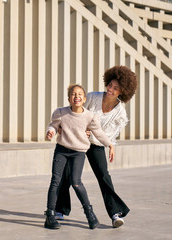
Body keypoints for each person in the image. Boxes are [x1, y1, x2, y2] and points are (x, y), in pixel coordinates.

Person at [55, 66, 138, 228]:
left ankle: (115, 213)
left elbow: (107, 136)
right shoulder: (92, 97)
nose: (110, 90)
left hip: (96, 144)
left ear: (122, 91)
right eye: (110, 85)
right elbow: (75, 113)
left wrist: (90, 134)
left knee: (103, 176)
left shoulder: (120, 114)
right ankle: (60, 210)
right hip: (75, 141)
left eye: (115, 88)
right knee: (66, 175)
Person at [44, 84, 115, 230]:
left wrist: (110, 145)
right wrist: (50, 131)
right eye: (73, 94)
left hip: (78, 153)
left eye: (80, 94)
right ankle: (50, 216)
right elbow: (53, 125)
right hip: (62, 150)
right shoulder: (61, 112)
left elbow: (99, 133)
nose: (77, 97)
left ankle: (90, 214)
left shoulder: (90, 116)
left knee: (76, 182)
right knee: (55, 181)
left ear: (84, 99)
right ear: (69, 98)